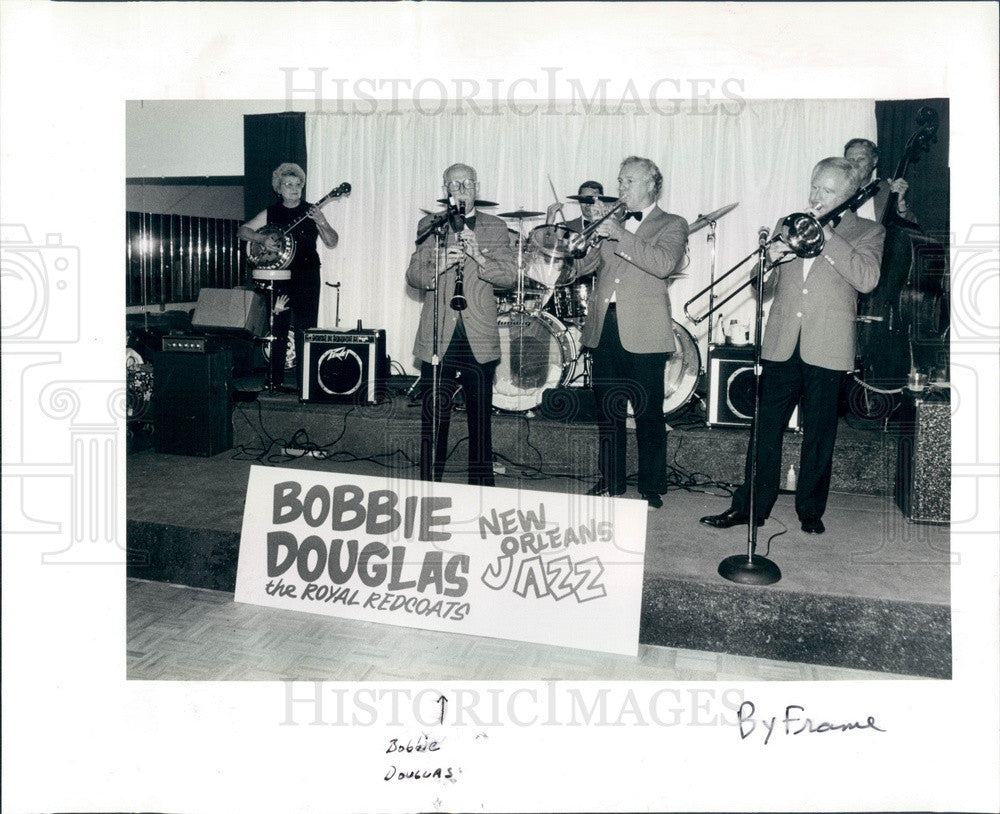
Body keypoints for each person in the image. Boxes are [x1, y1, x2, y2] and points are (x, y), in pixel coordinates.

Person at [700, 157, 884, 535]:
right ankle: (751, 506)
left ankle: (810, 510)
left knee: (819, 435)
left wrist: (829, 236)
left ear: (848, 195)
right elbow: (760, 287)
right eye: (815, 186)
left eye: (827, 190)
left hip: (828, 345)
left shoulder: (868, 231)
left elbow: (866, 279)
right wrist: (768, 260)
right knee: (765, 431)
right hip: (782, 343)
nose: (816, 196)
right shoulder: (790, 224)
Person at [570, 156, 689, 509]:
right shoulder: (610, 223)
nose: (620, 188)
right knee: (608, 411)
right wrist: (588, 240)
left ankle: (651, 487)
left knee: (648, 413)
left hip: (646, 327)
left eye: (628, 182)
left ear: (651, 185)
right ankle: (611, 480)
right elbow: (579, 268)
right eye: (620, 181)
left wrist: (618, 232)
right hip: (605, 325)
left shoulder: (672, 223)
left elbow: (663, 264)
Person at [406, 163, 517, 487]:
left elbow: (509, 277)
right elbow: (413, 275)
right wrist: (440, 262)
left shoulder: (495, 227)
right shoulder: (430, 225)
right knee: (433, 419)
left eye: (468, 182)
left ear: (476, 187)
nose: (462, 187)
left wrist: (479, 256)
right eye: (455, 183)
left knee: (480, 421)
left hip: (478, 334)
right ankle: (428, 487)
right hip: (438, 333)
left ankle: (482, 492)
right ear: (446, 190)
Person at [239, 163, 339, 391]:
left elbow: (332, 242)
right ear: (279, 189)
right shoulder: (271, 212)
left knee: (306, 329)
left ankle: (306, 383)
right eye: (288, 185)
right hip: (279, 277)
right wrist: (261, 239)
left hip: (307, 276)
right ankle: (274, 380)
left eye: (298, 185)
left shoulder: (312, 210)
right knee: (278, 328)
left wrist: (322, 221)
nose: (294, 189)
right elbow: (243, 231)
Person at [843, 138, 917, 224]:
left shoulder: (888, 190)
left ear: (874, 160)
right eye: (851, 160)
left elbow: (911, 227)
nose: (855, 164)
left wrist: (900, 203)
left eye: (861, 159)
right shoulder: (836, 191)